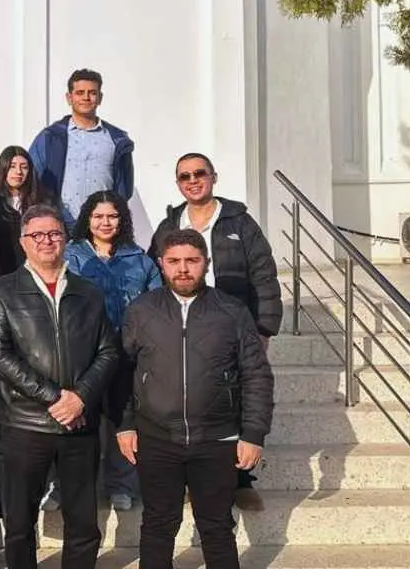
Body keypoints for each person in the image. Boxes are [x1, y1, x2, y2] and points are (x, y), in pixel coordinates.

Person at [117, 229, 274, 569]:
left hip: (216, 438)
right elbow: (122, 373)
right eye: (174, 261)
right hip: (157, 438)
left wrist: (253, 434)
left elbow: (256, 375)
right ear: (161, 263)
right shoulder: (141, 311)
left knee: (217, 527)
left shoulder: (232, 312)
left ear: (207, 262)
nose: (183, 269)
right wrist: (124, 424)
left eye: (192, 260)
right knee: (158, 525)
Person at [0, 203, 119, 569]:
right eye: (37, 234)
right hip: (26, 424)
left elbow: (108, 351)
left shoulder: (88, 293)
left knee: (83, 524)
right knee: (19, 524)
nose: (46, 240)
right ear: (23, 242)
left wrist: (81, 398)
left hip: (79, 424)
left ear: (65, 239)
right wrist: (55, 398)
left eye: (54, 233)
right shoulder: (2, 291)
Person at [147, 152, 282, 511]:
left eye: (199, 173)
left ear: (213, 177)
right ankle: (193, 479)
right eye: (185, 176)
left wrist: (264, 328)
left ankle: (240, 479)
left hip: (233, 326)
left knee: (236, 400)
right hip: (184, 325)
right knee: (194, 400)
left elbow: (264, 275)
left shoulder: (239, 222)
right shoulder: (170, 223)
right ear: (178, 183)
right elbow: (153, 270)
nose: (193, 181)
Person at [54, 190, 162, 512]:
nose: (105, 222)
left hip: (126, 354)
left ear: (122, 219)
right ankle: (64, 487)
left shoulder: (139, 259)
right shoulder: (70, 256)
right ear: (88, 219)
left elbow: (155, 306)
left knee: (122, 420)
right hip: (81, 355)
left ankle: (122, 485)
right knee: (75, 423)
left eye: (112, 216)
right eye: (98, 216)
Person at [28, 68, 135, 226]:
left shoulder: (117, 140)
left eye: (92, 93)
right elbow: (31, 180)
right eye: (80, 93)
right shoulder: (50, 137)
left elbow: (124, 189)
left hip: (102, 226)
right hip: (61, 225)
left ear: (100, 98)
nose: (86, 97)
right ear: (69, 98)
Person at [0, 146, 51, 277]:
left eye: (24, 167)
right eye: (12, 166)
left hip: (35, 270)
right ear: (3, 168)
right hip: (1, 272)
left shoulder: (42, 200)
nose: (18, 172)